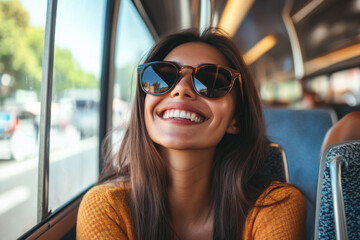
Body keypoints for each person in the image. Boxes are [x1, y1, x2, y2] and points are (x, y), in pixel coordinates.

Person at [77, 28, 306, 240]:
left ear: (236, 120)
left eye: (211, 81)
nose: (181, 89)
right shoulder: (105, 208)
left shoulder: (277, 205)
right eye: (162, 77)